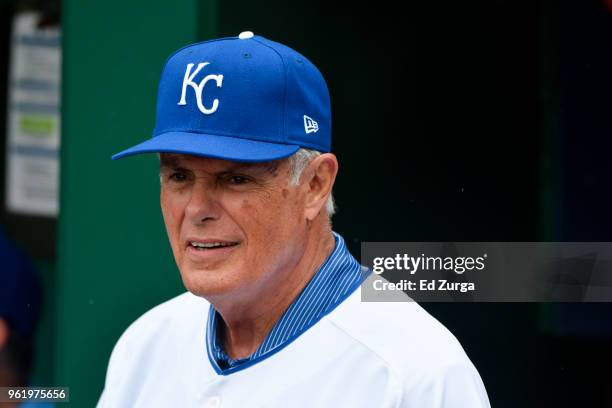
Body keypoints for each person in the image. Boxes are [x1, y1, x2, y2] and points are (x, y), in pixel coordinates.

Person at [97, 31, 490, 407]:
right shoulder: (146, 345)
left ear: (316, 185)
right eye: (179, 176)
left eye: (236, 178)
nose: (197, 209)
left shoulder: (414, 374)